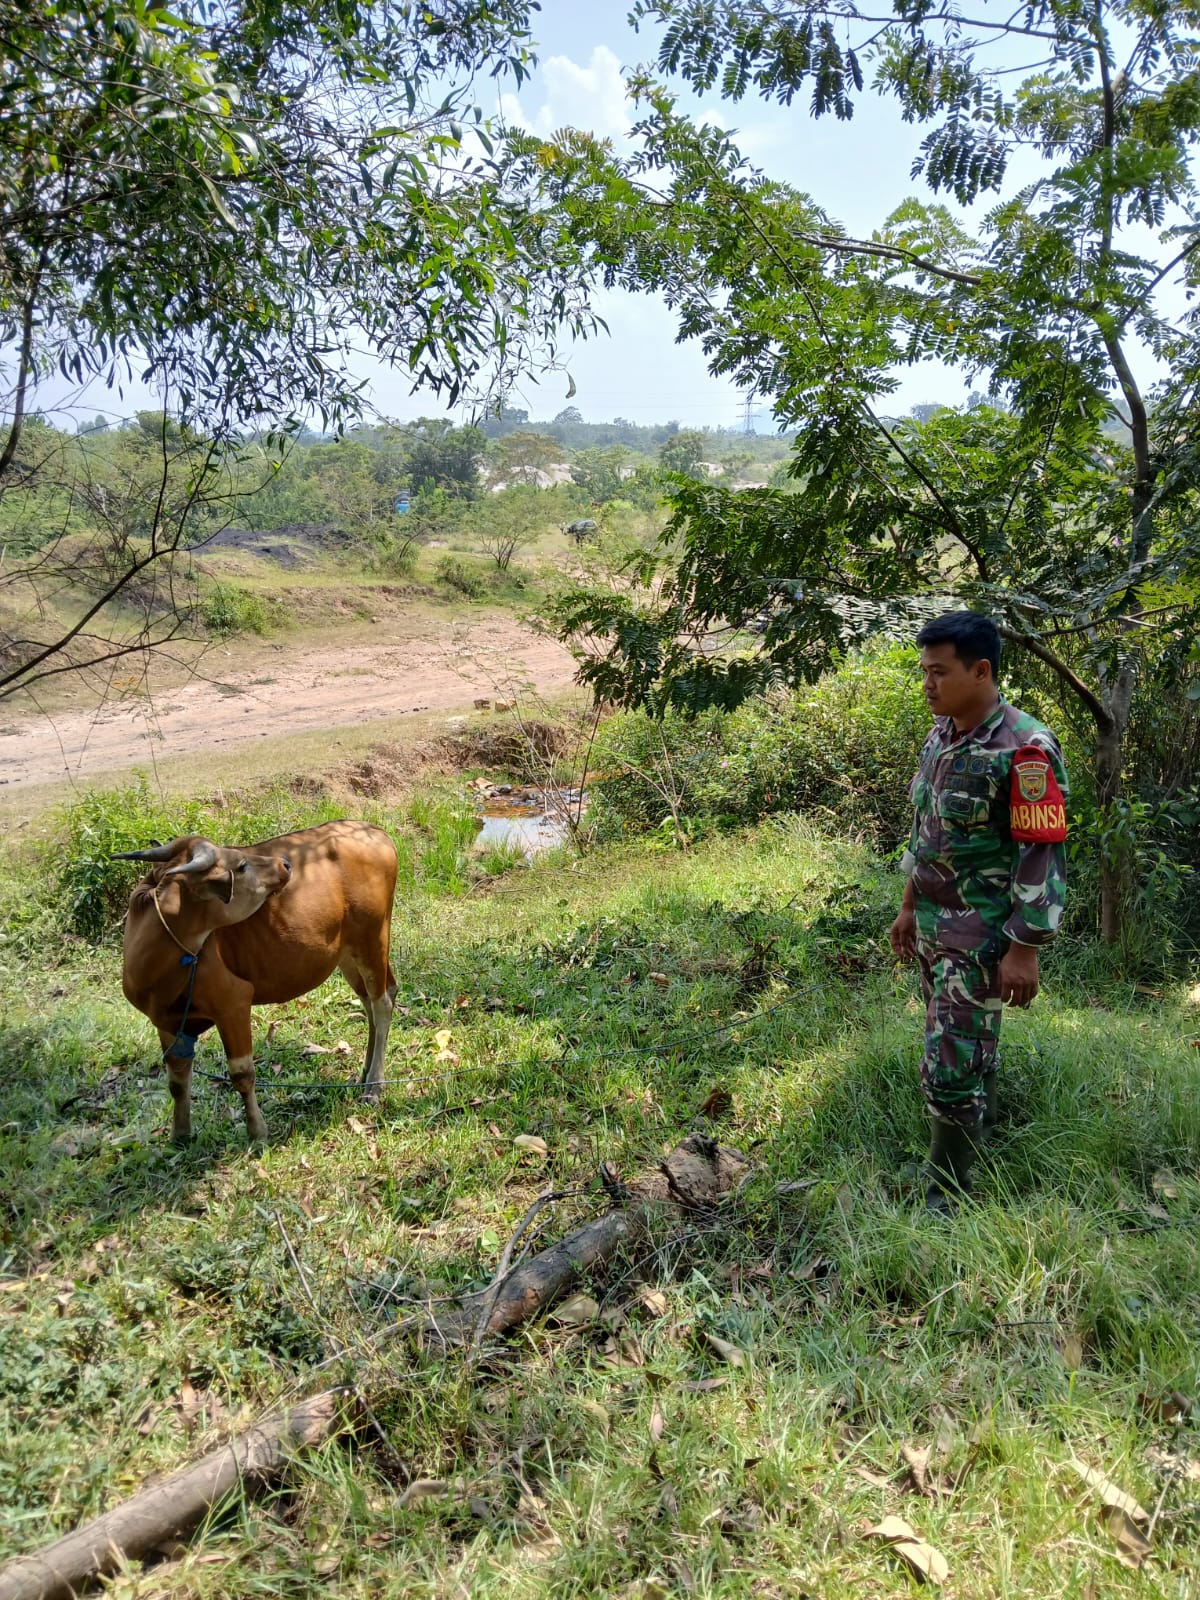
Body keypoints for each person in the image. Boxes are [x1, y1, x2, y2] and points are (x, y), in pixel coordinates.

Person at [889, 611, 1069, 1212]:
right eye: (924, 672)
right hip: (936, 926)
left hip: (983, 935)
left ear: (982, 670)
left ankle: (947, 1190)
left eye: (939, 672)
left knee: (948, 1062)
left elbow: (1040, 855)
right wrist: (909, 905)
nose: (928, 685)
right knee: (966, 1045)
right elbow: (926, 829)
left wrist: (1024, 949)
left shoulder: (1025, 748)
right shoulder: (941, 735)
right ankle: (978, 1137)